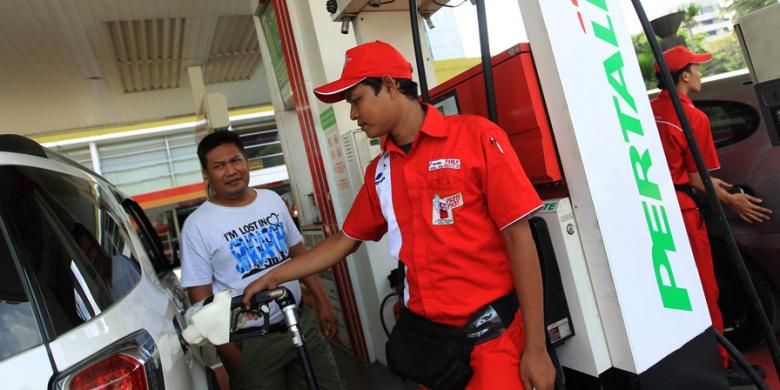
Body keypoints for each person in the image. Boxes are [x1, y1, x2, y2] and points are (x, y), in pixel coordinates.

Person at [243, 41, 556, 390]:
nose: (353, 114)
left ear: (390, 86)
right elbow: (345, 241)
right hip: (432, 347)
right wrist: (275, 276)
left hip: (492, 342)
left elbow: (519, 237)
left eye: (357, 99)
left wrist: (537, 348)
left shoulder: (477, 137)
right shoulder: (381, 171)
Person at [180, 130, 344, 390]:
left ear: (246, 162)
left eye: (236, 160)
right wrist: (232, 354)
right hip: (250, 343)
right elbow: (200, 299)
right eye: (219, 166)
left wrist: (323, 302)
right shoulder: (197, 225)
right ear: (206, 174)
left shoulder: (272, 200)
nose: (231, 171)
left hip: (299, 322)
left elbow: (299, 256)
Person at [651, 45, 772, 384]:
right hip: (685, 210)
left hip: (655, 208)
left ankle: (687, 356)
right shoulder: (693, 118)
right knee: (705, 289)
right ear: (684, 75)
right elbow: (696, 178)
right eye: (697, 67)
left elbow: (690, 174)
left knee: (674, 289)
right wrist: (734, 202)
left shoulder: (649, 111)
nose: (701, 73)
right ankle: (720, 365)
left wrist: (726, 189)